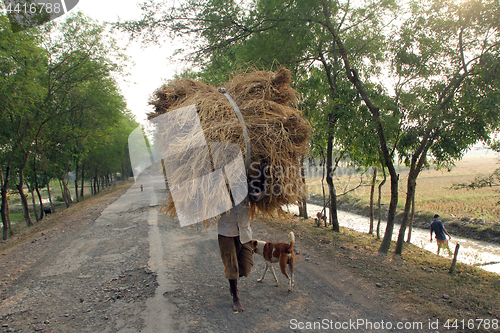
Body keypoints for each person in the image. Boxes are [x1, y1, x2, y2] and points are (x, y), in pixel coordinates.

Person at [217, 198, 253, 312]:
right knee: (232, 266)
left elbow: (259, 196)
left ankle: (233, 280)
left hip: (245, 231)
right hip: (226, 231)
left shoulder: (246, 184)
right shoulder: (219, 187)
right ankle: (235, 298)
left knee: (246, 268)